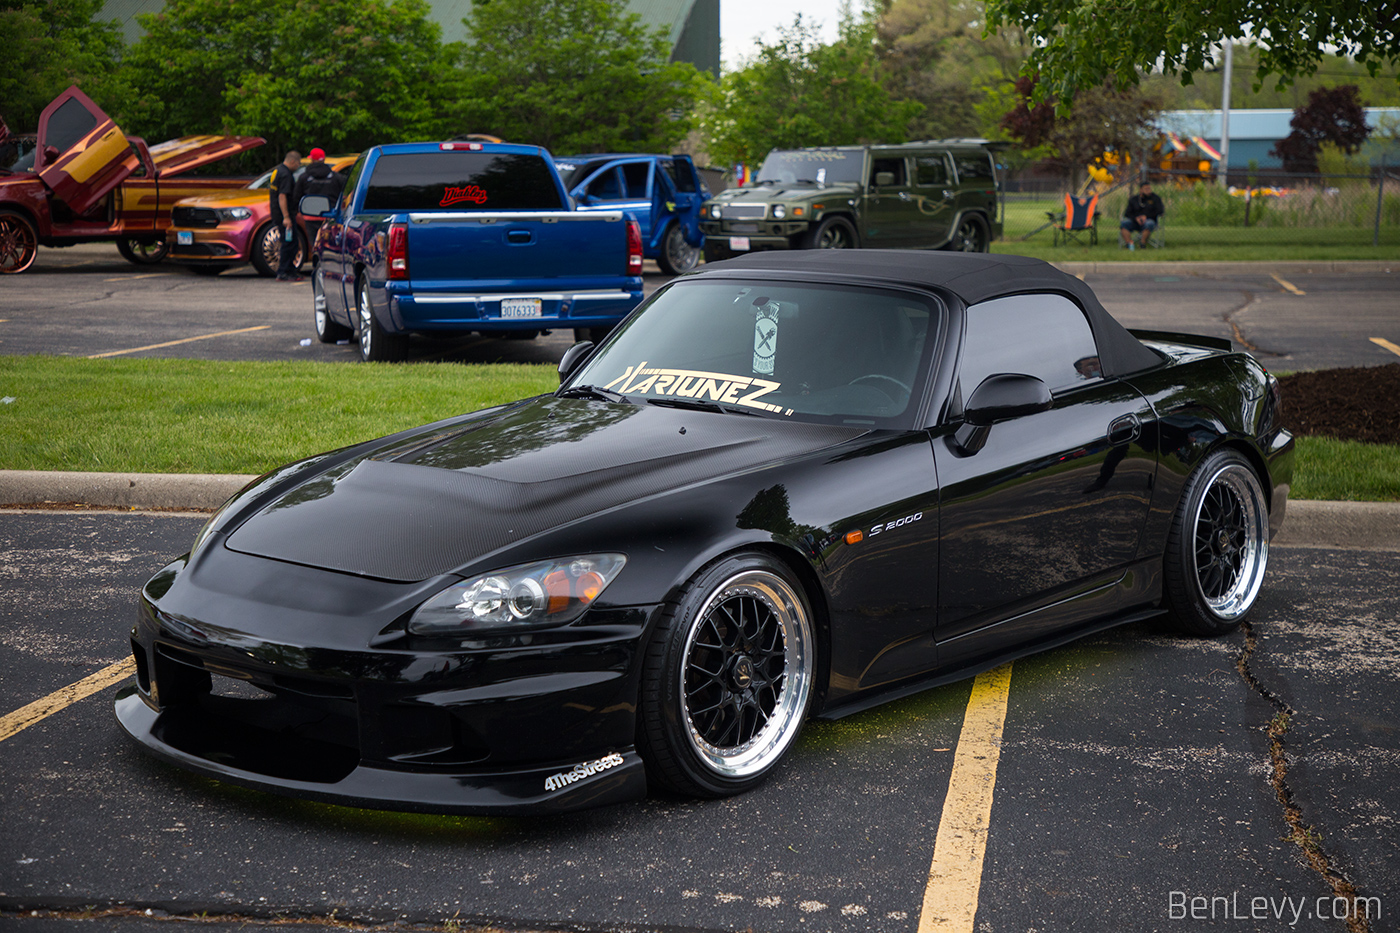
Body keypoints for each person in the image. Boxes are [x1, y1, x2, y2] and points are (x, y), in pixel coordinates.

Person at [292, 147, 345, 248]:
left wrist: (295, 212)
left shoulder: (304, 177)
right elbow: (344, 194)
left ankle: (317, 260)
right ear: (324, 160)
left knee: (315, 244)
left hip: (310, 216)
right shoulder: (336, 177)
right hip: (329, 215)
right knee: (329, 244)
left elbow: (296, 197)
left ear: (312, 160)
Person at [268, 149, 302, 281]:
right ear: (292, 161)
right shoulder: (286, 175)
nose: (298, 167)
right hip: (284, 215)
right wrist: (286, 217)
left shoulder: (277, 171)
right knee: (290, 243)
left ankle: (289, 270)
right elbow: (282, 196)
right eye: (298, 164)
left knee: (289, 242)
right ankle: (284, 271)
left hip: (277, 213)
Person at [1119, 180, 1164, 250]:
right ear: (1141, 190)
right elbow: (1127, 213)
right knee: (1124, 224)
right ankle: (1129, 244)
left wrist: (1146, 217)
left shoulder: (1155, 198)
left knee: (1149, 223)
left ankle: (1142, 244)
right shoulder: (1134, 199)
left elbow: (1160, 211)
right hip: (1135, 221)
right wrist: (1136, 218)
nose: (1148, 190)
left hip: (1149, 220)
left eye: (1149, 188)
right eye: (1146, 189)